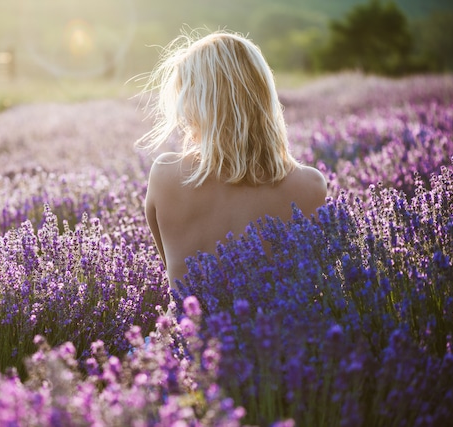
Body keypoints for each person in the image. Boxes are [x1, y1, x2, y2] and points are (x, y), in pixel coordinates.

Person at [137, 29, 328, 289]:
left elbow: (179, 279)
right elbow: (309, 288)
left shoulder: (165, 174)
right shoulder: (310, 186)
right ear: (264, 95)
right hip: (277, 331)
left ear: (199, 102)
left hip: (189, 331)